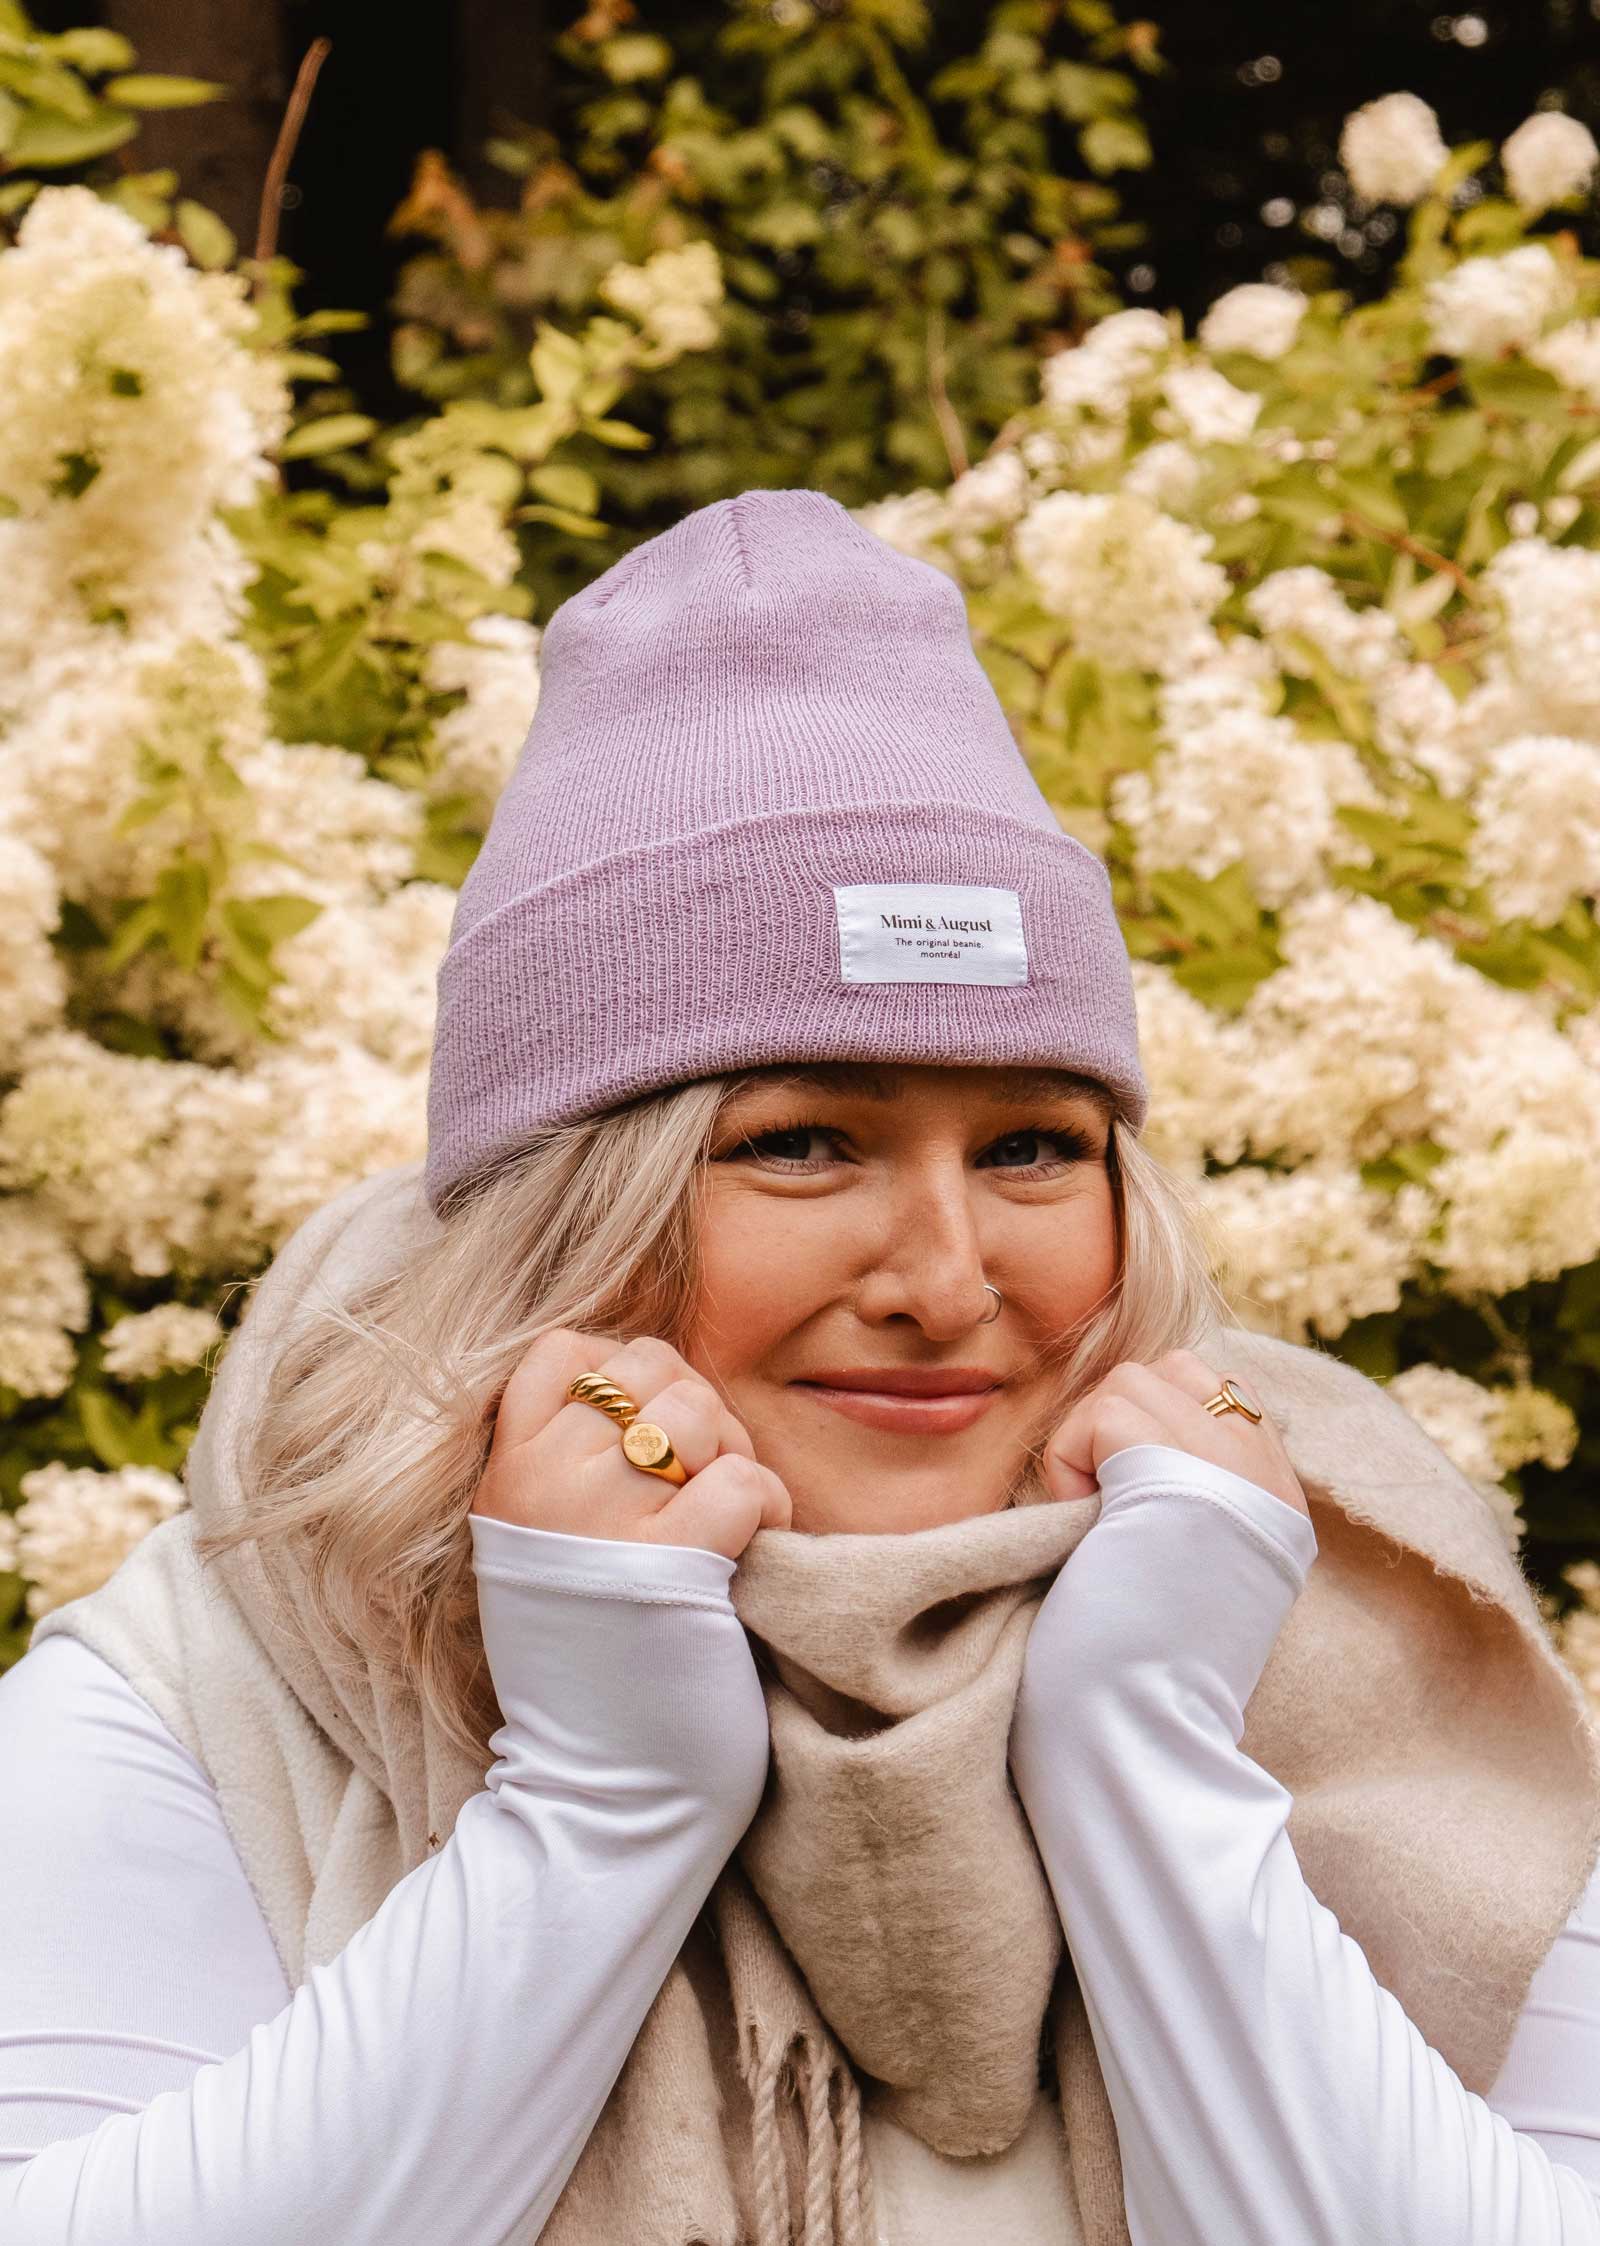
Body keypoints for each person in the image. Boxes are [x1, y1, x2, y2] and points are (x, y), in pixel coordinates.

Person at [2, 486, 1599, 2246]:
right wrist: (602, 1804)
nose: (944, 1279)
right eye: (802, 1141)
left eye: (1030, 1148)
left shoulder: (1389, 1640)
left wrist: (1146, 1761)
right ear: (564, 1201)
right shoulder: (217, 1681)